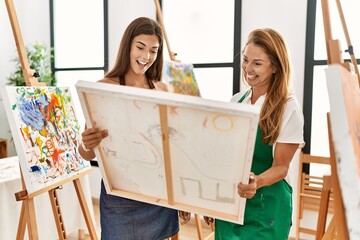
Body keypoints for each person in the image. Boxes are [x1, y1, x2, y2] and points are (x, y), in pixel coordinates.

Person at [78, 17, 179, 240]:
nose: (146, 57)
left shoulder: (163, 90)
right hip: (120, 197)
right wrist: (87, 144)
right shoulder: (103, 88)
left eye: (153, 50)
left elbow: (173, 146)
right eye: (140, 47)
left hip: (158, 194)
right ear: (128, 46)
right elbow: (85, 153)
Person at [214, 28, 305, 239]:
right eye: (246, 60)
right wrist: (214, 200)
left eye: (257, 63)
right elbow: (227, 157)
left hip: (268, 208)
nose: (248, 68)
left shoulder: (287, 107)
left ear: (275, 66)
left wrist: (256, 182)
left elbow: (281, 167)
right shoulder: (237, 100)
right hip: (233, 204)